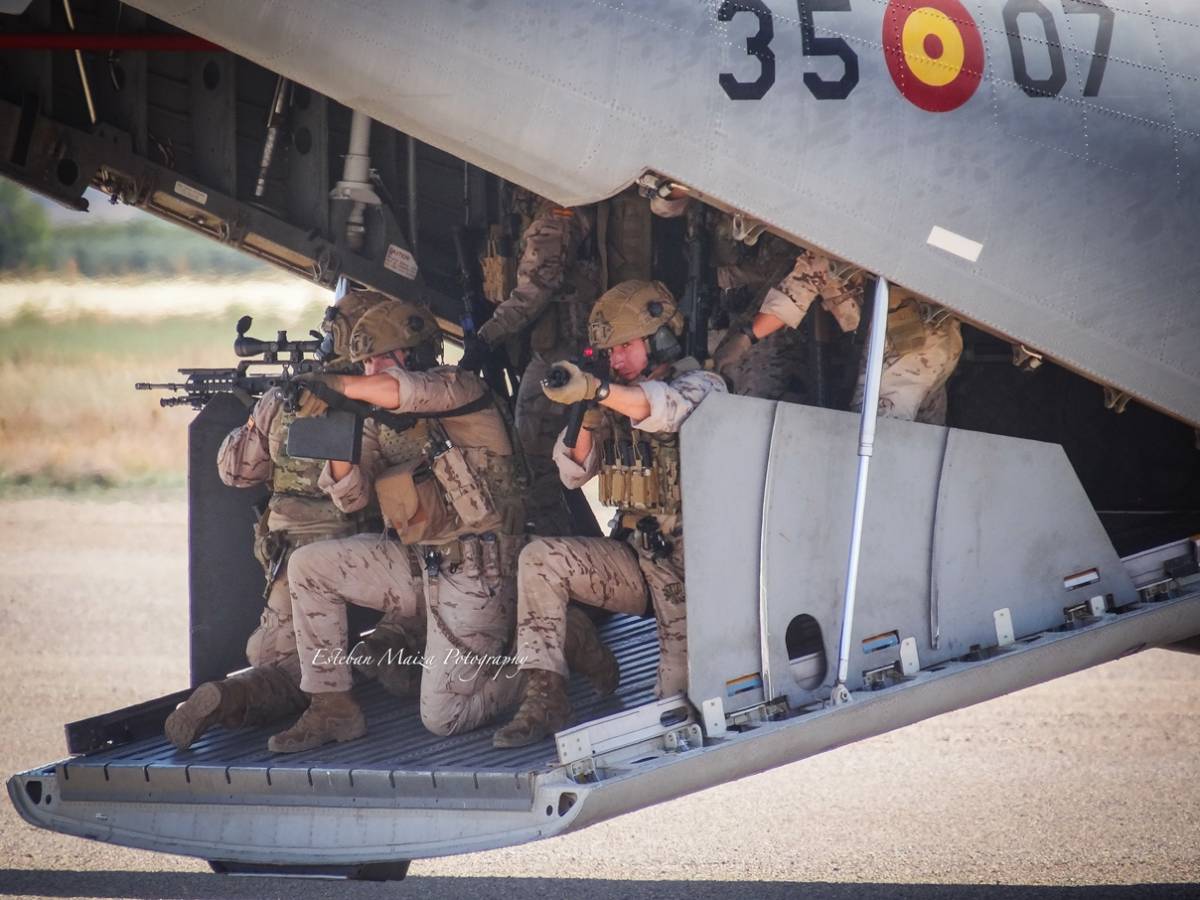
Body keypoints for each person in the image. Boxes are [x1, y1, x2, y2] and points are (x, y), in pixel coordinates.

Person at [267, 300, 613, 752]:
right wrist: (337, 429)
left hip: (481, 570)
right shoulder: (375, 418)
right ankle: (332, 708)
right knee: (310, 566)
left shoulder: (459, 389)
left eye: (381, 358)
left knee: (445, 718)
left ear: (413, 355)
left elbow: (406, 393)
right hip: (416, 562)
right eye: (364, 362)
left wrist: (339, 387)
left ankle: (560, 647)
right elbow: (353, 499)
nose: (371, 368)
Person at [164, 288, 410, 752]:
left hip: (288, 563)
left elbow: (235, 472)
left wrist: (265, 411)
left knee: (281, 666)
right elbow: (362, 496)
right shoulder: (377, 397)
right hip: (363, 558)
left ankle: (233, 695)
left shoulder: (285, 398)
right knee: (321, 669)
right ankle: (377, 654)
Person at [493, 280, 727, 748]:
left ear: (660, 338)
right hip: (636, 560)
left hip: (693, 571)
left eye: (625, 346)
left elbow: (663, 409)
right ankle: (546, 695)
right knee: (540, 559)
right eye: (609, 351)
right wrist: (586, 406)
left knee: (676, 707)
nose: (616, 359)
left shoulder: (703, 384)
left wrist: (600, 390)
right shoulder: (611, 399)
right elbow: (572, 473)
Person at [464, 192, 602, 535]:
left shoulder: (556, 217)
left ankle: (545, 540)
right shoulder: (558, 209)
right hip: (564, 348)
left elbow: (535, 290)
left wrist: (484, 339)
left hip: (565, 352)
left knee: (530, 458)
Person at [711, 252, 963, 424]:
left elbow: (791, 300)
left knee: (877, 440)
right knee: (925, 435)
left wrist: (745, 338)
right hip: (936, 338)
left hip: (905, 350)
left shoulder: (826, 246)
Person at [650, 192, 802, 401]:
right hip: (734, 301)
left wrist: (722, 277)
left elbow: (791, 267)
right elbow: (664, 207)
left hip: (776, 298)